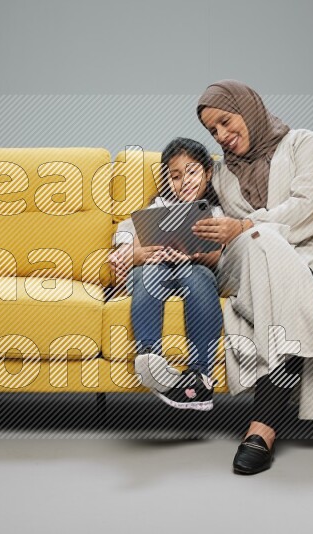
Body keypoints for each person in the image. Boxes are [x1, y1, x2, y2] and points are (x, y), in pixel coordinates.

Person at [190, 80, 313, 475]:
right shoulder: (220, 175)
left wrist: (245, 225)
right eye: (213, 132)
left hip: (311, 252)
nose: (222, 136)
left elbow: (309, 208)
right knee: (261, 243)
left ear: (248, 108)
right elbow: (214, 225)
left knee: (274, 271)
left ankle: (262, 429)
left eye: (225, 121)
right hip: (244, 264)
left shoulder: (305, 144)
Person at [108, 138, 225, 411]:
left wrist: (196, 253)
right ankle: (150, 357)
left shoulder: (215, 211)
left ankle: (200, 373)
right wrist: (138, 253)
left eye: (192, 172)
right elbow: (134, 243)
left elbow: (218, 255)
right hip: (155, 267)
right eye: (175, 176)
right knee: (147, 275)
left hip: (193, 269)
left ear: (208, 173)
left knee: (201, 278)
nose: (184, 181)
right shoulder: (158, 205)